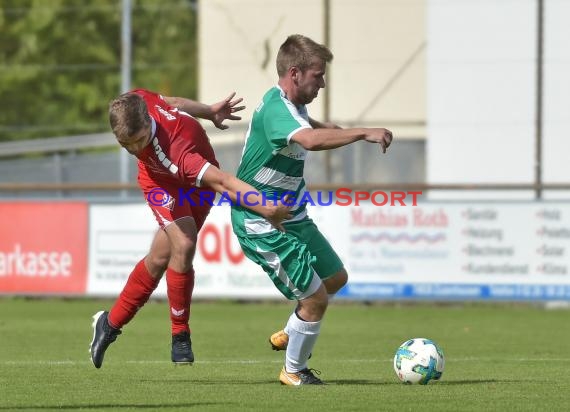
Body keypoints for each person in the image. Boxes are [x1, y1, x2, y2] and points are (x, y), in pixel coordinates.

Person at [230, 34, 393, 385]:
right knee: (316, 299)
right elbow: (308, 140)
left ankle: (293, 330)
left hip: (292, 215)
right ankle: (293, 370)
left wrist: (326, 127)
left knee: (335, 279)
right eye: (318, 75)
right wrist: (361, 132)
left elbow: (307, 128)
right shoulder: (277, 108)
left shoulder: (291, 106)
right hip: (262, 219)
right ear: (295, 73)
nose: (323, 82)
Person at [89, 89, 291, 368]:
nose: (135, 150)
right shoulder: (136, 101)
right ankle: (180, 333)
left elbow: (222, 182)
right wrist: (208, 111)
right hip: (159, 183)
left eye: (138, 141)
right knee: (184, 244)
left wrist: (267, 209)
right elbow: (171, 102)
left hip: (195, 184)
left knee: (160, 258)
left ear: (148, 122)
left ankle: (108, 324)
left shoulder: (177, 154)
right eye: (126, 145)